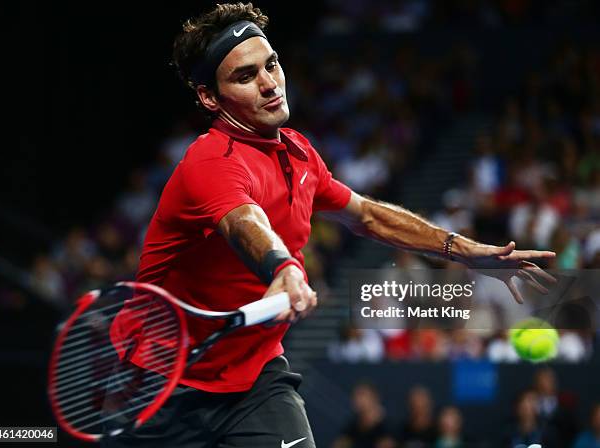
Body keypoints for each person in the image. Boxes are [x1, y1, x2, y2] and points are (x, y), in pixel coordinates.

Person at [107, 3, 556, 447]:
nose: (269, 85)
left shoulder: (300, 154)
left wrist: (467, 251)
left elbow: (367, 215)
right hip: (161, 382)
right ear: (209, 97)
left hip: (253, 379)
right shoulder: (209, 162)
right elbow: (244, 221)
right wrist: (283, 269)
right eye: (245, 77)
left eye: (272, 65)